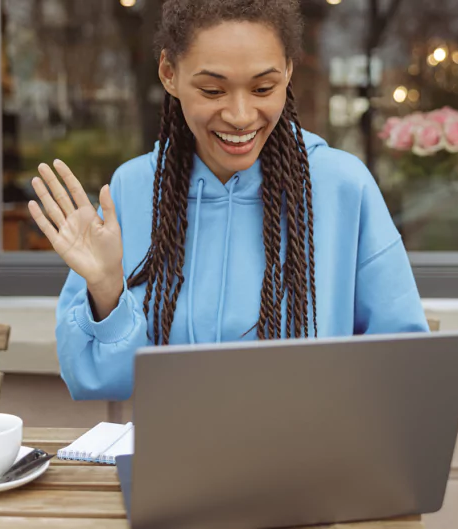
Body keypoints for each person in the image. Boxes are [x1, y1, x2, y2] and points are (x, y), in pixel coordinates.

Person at [29, 0, 430, 401]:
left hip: (309, 458)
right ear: (169, 74)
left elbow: (404, 366)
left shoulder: (342, 187)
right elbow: (95, 381)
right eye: (212, 90)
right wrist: (105, 290)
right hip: (178, 459)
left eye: (262, 88)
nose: (240, 116)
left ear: (289, 70)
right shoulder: (132, 190)